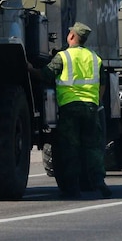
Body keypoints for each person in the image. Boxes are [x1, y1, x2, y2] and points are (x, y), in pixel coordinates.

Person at [28, 22, 110, 199]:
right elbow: (102, 84)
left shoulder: (63, 57)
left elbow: (45, 75)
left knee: (69, 148)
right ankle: (99, 183)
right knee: (92, 147)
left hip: (70, 108)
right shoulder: (95, 57)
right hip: (90, 108)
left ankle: (72, 188)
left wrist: (29, 68)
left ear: (72, 36)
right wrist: (95, 102)